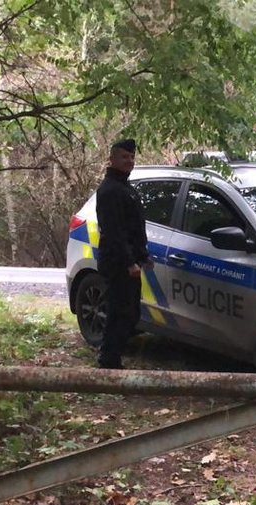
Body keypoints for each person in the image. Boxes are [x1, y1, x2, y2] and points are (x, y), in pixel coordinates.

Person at [95, 138, 152, 369]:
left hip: (129, 262)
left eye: (131, 157)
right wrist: (129, 262)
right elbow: (114, 232)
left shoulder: (125, 187)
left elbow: (134, 227)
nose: (129, 161)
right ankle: (109, 361)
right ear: (112, 159)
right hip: (118, 264)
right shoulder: (110, 190)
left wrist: (143, 255)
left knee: (129, 313)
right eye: (124, 157)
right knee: (121, 313)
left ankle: (112, 355)